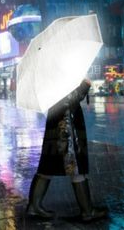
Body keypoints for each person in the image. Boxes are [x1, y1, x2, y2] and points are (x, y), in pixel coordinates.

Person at [26, 79, 108, 222]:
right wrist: (85, 85)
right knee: (75, 167)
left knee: (48, 166)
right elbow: (71, 99)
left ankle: (34, 206)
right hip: (66, 128)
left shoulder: (51, 75)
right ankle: (87, 211)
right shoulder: (61, 75)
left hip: (56, 123)